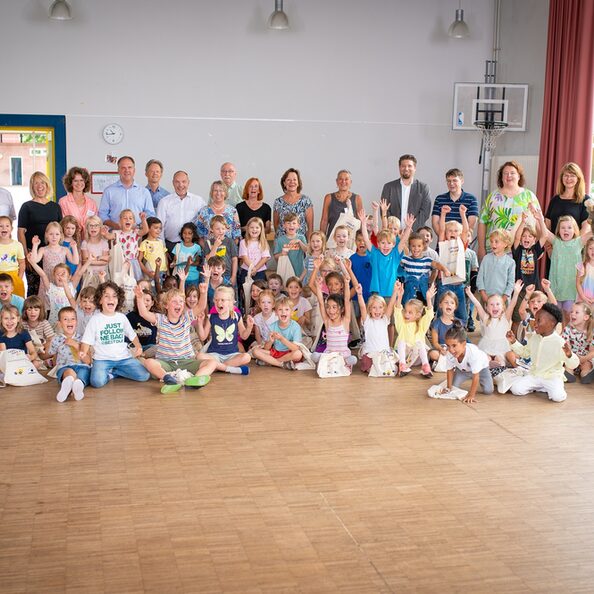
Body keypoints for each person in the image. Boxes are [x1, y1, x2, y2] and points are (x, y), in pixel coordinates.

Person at [134, 286, 216, 393]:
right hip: (166, 362)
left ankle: (193, 380)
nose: (178, 304)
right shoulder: (160, 319)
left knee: (212, 363)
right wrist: (139, 298)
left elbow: (201, 306)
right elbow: (144, 313)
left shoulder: (186, 318)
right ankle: (168, 379)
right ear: (166, 305)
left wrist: (203, 292)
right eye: (174, 301)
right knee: (149, 362)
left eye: (181, 301)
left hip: (186, 361)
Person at [80, 281, 150, 388]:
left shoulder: (121, 317)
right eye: (106, 296)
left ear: (118, 300)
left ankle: (114, 372)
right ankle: (109, 374)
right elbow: (86, 341)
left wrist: (139, 347)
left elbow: (132, 335)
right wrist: (83, 353)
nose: (111, 299)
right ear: (100, 300)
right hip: (102, 360)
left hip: (123, 359)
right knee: (96, 382)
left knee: (144, 376)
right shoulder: (95, 320)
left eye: (114, 296)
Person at [506, 303, 579, 402]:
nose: (535, 323)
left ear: (552, 323)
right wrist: (514, 342)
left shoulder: (559, 342)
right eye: (535, 320)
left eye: (538, 320)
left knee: (557, 397)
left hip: (552, 377)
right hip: (535, 375)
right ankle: (541, 387)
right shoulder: (534, 338)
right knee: (516, 389)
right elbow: (525, 353)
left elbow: (573, 364)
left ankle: (549, 387)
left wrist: (569, 355)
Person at [477, 160, 541, 261]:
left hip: (522, 250)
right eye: (505, 173)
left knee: (519, 277)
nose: (509, 176)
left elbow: (539, 222)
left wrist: (538, 246)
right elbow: (482, 222)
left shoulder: (529, 196)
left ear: (519, 176)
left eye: (512, 173)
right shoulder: (493, 197)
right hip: (495, 249)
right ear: (501, 177)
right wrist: (481, 248)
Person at [17, 171, 63, 296]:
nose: (39, 186)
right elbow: (20, 232)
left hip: (52, 253)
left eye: (42, 182)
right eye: (36, 183)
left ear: (47, 185)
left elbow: (60, 231)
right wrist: (26, 256)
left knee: (53, 288)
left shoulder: (55, 207)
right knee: (34, 289)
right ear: (32, 187)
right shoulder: (26, 207)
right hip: (33, 253)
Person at [542, 215, 593, 323]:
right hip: (556, 288)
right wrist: (537, 218)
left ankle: (566, 337)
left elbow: (591, 232)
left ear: (574, 230)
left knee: (568, 317)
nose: (566, 230)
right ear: (558, 230)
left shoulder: (579, 242)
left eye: (569, 227)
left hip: (571, 289)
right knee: (555, 317)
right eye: (563, 227)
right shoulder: (556, 242)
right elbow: (544, 232)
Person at [195, 285, 253, 375]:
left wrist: (249, 327)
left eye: (222, 300)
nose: (219, 302)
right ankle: (229, 368)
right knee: (199, 356)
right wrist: (199, 323)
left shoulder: (237, 316)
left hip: (232, 355)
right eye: (216, 300)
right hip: (214, 355)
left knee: (246, 357)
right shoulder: (211, 317)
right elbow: (203, 337)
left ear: (230, 302)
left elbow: (244, 336)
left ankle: (217, 367)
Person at [466, 281, 523, 367]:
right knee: (485, 358)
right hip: (487, 346)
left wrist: (516, 292)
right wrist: (470, 294)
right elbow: (477, 305)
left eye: (497, 304)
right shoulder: (485, 318)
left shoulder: (505, 318)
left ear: (503, 307)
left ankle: (498, 366)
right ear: (487, 308)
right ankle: (489, 365)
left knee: (499, 359)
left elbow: (512, 305)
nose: (494, 307)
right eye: (491, 305)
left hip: (501, 347)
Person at [29, 222, 79, 307]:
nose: (54, 237)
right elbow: (34, 260)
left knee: (58, 304)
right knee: (46, 305)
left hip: (59, 281)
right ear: (46, 235)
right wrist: (35, 245)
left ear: (61, 236)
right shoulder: (43, 249)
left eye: (57, 234)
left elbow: (75, 261)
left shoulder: (65, 249)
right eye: (51, 234)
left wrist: (74, 248)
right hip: (46, 280)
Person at [443, 322, 493, 403]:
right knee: (453, 388)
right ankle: (466, 376)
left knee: (488, 391)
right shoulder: (450, 353)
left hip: (481, 370)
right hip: (462, 370)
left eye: (454, 345)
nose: (451, 350)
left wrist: (471, 395)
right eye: (448, 346)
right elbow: (450, 370)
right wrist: (449, 388)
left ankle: (492, 373)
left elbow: (476, 376)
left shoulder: (473, 354)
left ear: (464, 344)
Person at [393, 281, 436, 377]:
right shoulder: (402, 324)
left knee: (420, 343)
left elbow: (429, 315)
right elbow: (397, 312)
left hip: (416, 358)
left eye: (410, 312)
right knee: (401, 341)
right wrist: (399, 297)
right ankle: (402, 365)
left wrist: (429, 299)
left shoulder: (421, 325)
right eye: (406, 311)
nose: (406, 314)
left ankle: (426, 366)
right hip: (402, 356)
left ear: (418, 315)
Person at [156, 170, 206, 253]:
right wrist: (163, 249)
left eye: (184, 181)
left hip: (193, 246)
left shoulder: (199, 201)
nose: (181, 185)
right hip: (170, 246)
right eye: (177, 182)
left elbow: (205, 223)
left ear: (188, 182)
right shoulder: (164, 202)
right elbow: (159, 227)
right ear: (173, 183)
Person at [98, 156, 155, 228]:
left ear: (134, 170)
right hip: (115, 234)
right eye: (123, 168)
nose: (127, 170)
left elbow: (151, 214)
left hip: (138, 235)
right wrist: (115, 226)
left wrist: (140, 226)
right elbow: (102, 214)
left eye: (129, 167)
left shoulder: (144, 192)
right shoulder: (109, 191)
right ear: (118, 170)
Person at [48, 307, 90, 402]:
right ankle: (69, 386)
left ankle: (77, 387)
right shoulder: (56, 339)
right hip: (65, 367)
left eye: (72, 319)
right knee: (69, 373)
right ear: (59, 323)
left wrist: (76, 345)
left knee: (83, 375)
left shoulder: (83, 339)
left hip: (82, 366)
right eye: (65, 319)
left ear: (76, 322)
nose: (69, 321)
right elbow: (53, 357)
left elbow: (88, 361)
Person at [381, 154, 431, 232]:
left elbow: (425, 213)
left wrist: (409, 229)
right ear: (399, 168)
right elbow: (384, 210)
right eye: (403, 166)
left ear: (415, 168)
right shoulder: (388, 187)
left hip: (414, 235)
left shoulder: (423, 188)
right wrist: (394, 229)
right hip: (393, 236)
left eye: (409, 166)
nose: (406, 168)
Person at [356, 284, 399, 373]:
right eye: (374, 308)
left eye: (380, 307)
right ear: (370, 309)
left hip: (384, 353)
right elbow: (362, 307)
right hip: (371, 353)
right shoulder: (367, 321)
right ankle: (375, 367)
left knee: (394, 362)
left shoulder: (384, 320)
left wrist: (395, 291)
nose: (377, 310)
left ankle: (381, 367)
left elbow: (391, 305)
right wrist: (359, 294)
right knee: (368, 363)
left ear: (384, 309)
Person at [252, 296, 303, 369]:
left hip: (289, 353)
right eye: (280, 310)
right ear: (276, 312)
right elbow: (266, 348)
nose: (283, 312)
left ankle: (270, 362)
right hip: (275, 352)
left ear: (291, 312)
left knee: (298, 354)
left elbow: (295, 348)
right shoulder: (272, 326)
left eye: (287, 309)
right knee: (255, 351)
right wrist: (270, 341)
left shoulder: (295, 326)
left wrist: (282, 339)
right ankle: (281, 364)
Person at [545, 162, 591, 236]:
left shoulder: (585, 200)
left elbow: (585, 229)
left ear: (578, 179)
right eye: (566, 175)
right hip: (554, 245)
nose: (568, 178)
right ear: (561, 178)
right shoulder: (555, 200)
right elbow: (547, 226)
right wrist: (548, 243)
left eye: (572, 176)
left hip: (575, 246)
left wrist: (573, 246)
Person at [431, 168, 479, 236]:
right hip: (443, 244)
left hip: (462, 243)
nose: (451, 183)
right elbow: (435, 223)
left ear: (462, 181)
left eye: (455, 180)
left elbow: (471, 224)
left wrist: (458, 240)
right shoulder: (439, 199)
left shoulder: (471, 199)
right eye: (448, 181)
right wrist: (445, 239)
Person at [319, 170, 363, 240]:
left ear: (350, 182)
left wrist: (361, 240)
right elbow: (324, 220)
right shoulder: (329, 198)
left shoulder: (357, 198)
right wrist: (321, 239)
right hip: (332, 239)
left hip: (350, 240)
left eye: (346, 179)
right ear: (336, 181)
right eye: (341, 179)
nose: (343, 182)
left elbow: (361, 222)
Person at [195, 181, 241, 246]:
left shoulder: (232, 211)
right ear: (211, 193)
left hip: (228, 253)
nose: (218, 193)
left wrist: (229, 252)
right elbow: (199, 236)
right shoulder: (203, 211)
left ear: (225, 193)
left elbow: (236, 236)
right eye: (215, 190)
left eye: (221, 190)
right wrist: (208, 251)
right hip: (208, 253)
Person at [273, 168, 314, 240]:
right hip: (282, 243)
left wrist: (309, 244)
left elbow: (310, 226)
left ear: (298, 183)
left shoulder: (305, 201)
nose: (292, 182)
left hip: (300, 243)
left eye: (294, 179)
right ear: (284, 183)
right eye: (288, 180)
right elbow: (276, 224)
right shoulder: (278, 202)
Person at [58, 167, 98, 239]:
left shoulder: (92, 203)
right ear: (70, 183)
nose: (79, 183)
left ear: (85, 182)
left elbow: (95, 223)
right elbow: (63, 224)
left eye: (81, 180)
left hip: (88, 241)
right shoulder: (63, 202)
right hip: (70, 241)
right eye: (75, 181)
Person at [476, 229, 515, 302]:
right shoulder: (486, 258)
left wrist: (503, 299)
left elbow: (511, 283)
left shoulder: (511, 262)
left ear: (505, 244)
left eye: (496, 242)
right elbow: (480, 278)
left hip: (502, 300)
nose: (493, 244)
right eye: (491, 241)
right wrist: (483, 295)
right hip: (486, 298)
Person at [561, 302, 594, 384]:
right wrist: (571, 356)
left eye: (576, 312)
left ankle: (586, 375)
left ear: (585, 317)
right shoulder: (567, 329)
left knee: (587, 366)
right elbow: (566, 346)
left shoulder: (591, 331)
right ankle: (568, 375)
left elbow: (592, 351)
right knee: (568, 366)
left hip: (585, 358)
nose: (572, 314)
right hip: (572, 357)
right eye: (571, 312)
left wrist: (584, 358)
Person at [0, 304, 40, 369]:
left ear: (18, 319)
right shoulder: (1, 334)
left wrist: (30, 357)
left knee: (36, 364)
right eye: (6, 318)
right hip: (8, 362)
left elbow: (33, 352)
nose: (9, 322)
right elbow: (4, 354)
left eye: (12, 318)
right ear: (1, 320)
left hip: (22, 361)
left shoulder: (24, 333)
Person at [238, 217, 270, 291]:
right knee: (246, 291)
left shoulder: (263, 242)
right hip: (246, 271)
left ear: (261, 229)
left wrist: (256, 269)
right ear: (247, 229)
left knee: (260, 291)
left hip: (259, 272)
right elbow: (244, 257)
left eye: (257, 227)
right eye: (251, 227)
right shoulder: (243, 242)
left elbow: (265, 257)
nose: (254, 229)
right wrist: (252, 268)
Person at [205, 216, 239, 286]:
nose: (221, 231)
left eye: (223, 228)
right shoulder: (208, 242)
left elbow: (235, 260)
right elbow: (208, 259)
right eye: (217, 229)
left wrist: (233, 276)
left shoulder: (230, 241)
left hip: (227, 275)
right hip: (213, 275)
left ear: (226, 229)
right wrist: (215, 246)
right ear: (211, 229)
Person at [429, 291, 461, 364]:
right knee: (433, 354)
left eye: (452, 303)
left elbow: (460, 340)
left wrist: (454, 349)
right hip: (441, 349)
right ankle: (448, 362)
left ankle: (443, 362)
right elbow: (435, 342)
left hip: (454, 349)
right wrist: (441, 349)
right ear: (440, 305)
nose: (449, 304)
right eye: (446, 302)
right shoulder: (436, 323)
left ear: (455, 306)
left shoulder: (458, 323)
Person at [273, 213, 307, 278]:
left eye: (294, 223)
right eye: (288, 223)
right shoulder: (279, 240)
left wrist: (299, 242)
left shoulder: (301, 237)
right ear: (284, 226)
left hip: (299, 271)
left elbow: (307, 250)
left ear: (298, 226)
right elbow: (275, 256)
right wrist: (282, 253)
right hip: (286, 271)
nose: (291, 225)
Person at [80, 216, 110, 287]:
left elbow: (105, 261)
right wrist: (100, 259)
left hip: (102, 274)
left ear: (100, 228)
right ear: (87, 228)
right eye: (91, 226)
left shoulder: (104, 243)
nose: (93, 228)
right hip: (89, 275)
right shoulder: (85, 243)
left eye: (96, 225)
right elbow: (85, 261)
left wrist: (92, 260)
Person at [0, 216, 25, 297]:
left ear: (11, 229)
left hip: (14, 276)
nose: (4, 228)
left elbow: (22, 262)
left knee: (16, 301)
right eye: (1, 226)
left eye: (7, 226)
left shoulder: (17, 245)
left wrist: (19, 278)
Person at [170, 222, 202, 287]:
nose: (187, 235)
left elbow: (197, 263)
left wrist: (188, 263)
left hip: (193, 277)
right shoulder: (178, 246)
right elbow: (175, 260)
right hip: (180, 277)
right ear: (181, 234)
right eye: (184, 233)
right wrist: (172, 263)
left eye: (189, 233)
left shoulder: (197, 247)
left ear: (193, 235)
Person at [577, 237, 594, 305]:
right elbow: (578, 283)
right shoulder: (582, 266)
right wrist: (583, 297)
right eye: (590, 248)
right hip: (582, 300)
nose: (593, 250)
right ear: (586, 250)